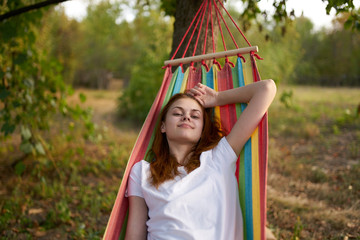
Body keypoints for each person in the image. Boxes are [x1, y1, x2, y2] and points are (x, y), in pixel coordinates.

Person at [125, 80, 277, 240]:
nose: (186, 117)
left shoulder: (219, 157)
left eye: (195, 115)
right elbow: (135, 234)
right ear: (163, 126)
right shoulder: (142, 171)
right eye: (177, 113)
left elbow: (266, 88)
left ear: (202, 129)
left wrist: (218, 98)